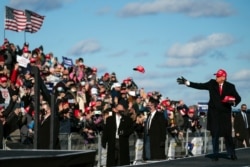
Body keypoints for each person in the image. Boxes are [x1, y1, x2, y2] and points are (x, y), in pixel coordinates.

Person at [177, 69, 241, 161]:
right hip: (214, 114)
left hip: (225, 114)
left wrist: (233, 102)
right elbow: (200, 85)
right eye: (216, 76)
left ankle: (232, 153)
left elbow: (238, 98)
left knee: (228, 135)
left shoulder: (231, 86)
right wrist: (187, 83)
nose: (216, 77)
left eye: (218, 76)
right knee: (215, 134)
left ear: (223, 77)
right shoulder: (212, 83)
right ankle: (215, 155)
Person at [143, 97, 166, 161]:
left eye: (151, 105)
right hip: (148, 137)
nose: (149, 107)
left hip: (156, 139)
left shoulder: (160, 115)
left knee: (155, 157)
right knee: (148, 155)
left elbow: (163, 128)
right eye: (148, 105)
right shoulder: (148, 115)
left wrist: (162, 140)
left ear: (155, 106)